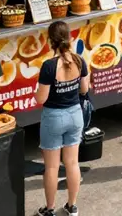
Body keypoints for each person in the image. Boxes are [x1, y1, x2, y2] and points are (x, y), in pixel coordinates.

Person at [36, 20, 90, 216]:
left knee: (51, 167)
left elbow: (41, 98)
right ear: (69, 37)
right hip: (75, 114)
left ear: (50, 40)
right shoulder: (79, 60)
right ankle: (72, 206)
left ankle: (49, 209)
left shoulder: (49, 66)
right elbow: (84, 89)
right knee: (72, 163)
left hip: (54, 117)